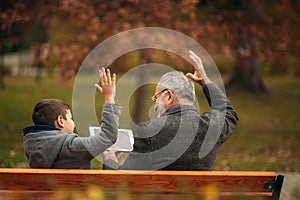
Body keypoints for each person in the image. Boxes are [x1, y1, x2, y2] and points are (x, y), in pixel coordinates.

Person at [103, 51, 238, 170]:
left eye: (156, 97)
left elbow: (125, 178)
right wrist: (205, 81)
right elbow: (230, 113)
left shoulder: (150, 130)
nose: (155, 104)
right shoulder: (212, 126)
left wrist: (110, 159)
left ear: (169, 96)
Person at [23, 68, 121, 169]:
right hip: (72, 185)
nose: (73, 122)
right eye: (71, 118)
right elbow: (108, 136)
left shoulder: (31, 146)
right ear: (60, 121)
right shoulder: (71, 146)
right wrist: (109, 98)